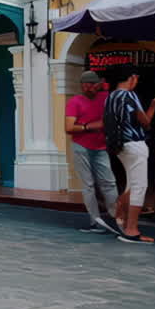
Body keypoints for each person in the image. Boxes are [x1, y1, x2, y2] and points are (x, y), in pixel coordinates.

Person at [103, 64, 155, 244]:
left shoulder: (110, 97)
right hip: (135, 144)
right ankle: (131, 229)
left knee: (130, 184)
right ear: (132, 78)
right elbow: (146, 122)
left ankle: (122, 216)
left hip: (119, 146)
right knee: (138, 186)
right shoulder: (129, 95)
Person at [64, 71, 118, 233]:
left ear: (99, 84)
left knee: (109, 183)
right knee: (88, 185)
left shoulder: (106, 98)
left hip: (101, 147)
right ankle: (95, 222)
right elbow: (68, 128)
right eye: (84, 85)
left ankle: (116, 218)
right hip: (81, 146)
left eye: (91, 84)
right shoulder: (75, 101)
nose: (87, 88)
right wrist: (88, 126)